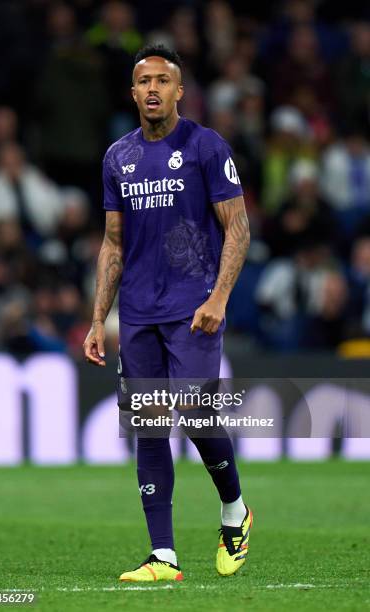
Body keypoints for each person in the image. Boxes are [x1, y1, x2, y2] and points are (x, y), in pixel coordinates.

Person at [83, 44, 252, 582]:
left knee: (196, 413)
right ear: (132, 92)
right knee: (150, 426)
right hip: (137, 313)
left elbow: (238, 227)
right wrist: (96, 319)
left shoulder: (205, 146)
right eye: (144, 81)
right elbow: (112, 244)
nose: (153, 89)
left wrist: (219, 298)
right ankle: (164, 556)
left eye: (163, 80)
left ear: (180, 91)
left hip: (194, 307)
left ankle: (235, 511)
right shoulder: (118, 158)